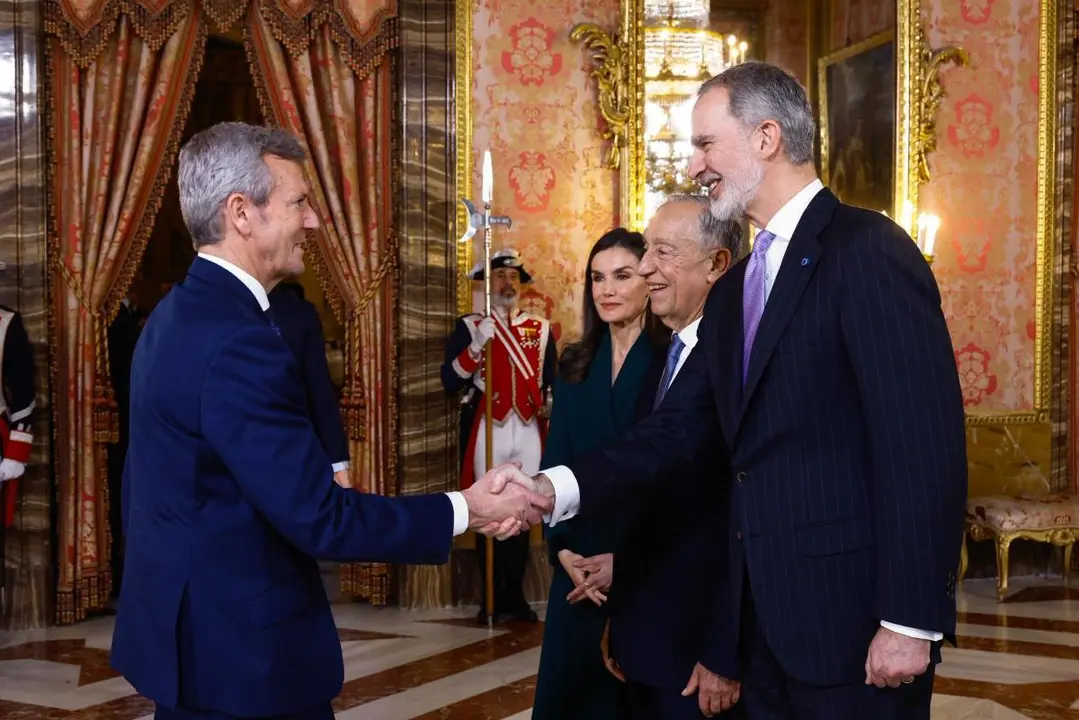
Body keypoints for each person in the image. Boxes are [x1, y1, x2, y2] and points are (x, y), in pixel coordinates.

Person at [497, 62, 967, 720]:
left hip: (854, 628)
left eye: (705, 144)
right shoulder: (736, 289)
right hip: (760, 635)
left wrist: (909, 621)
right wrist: (552, 489)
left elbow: (922, 449)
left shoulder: (868, 250)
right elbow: (677, 433)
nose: (694, 167)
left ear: (765, 138)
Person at [110, 121, 545, 720]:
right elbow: (321, 518)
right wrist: (468, 507)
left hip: (191, 641)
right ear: (242, 212)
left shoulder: (173, 316)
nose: (313, 220)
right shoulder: (238, 340)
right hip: (242, 661)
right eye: (299, 202)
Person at [604, 197, 743, 719]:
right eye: (647, 251)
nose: (645, 268)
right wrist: (621, 617)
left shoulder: (736, 363)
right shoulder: (665, 356)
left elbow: (742, 520)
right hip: (645, 636)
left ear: (716, 264)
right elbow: (647, 497)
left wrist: (724, 651)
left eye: (663, 252)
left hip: (699, 656)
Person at [532, 228, 664, 719]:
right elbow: (556, 465)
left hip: (647, 564)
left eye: (622, 276)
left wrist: (625, 561)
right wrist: (563, 549)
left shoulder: (672, 362)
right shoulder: (575, 363)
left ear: (649, 280)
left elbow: (676, 478)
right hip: (578, 568)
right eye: (597, 278)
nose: (607, 290)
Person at [440, 248, 556, 622]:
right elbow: (450, 380)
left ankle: (515, 595)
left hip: (527, 430)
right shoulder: (470, 326)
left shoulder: (540, 328)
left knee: (525, 508)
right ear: (487, 284)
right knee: (487, 508)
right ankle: (489, 596)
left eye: (513, 277)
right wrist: (476, 346)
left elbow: (551, 383)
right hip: (489, 427)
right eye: (500, 276)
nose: (508, 283)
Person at [268, 281, 351, 487]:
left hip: (292, 456)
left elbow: (319, 391)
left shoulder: (299, 313)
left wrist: (337, 463)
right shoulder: (203, 306)